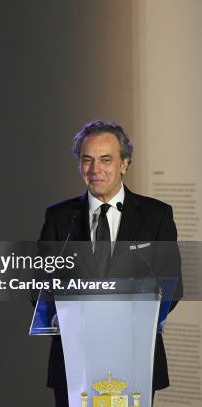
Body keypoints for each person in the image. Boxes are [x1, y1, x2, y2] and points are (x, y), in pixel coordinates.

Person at [38, 120, 182, 407]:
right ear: (79, 165)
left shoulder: (156, 216)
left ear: (125, 163)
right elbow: (40, 286)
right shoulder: (59, 217)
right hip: (75, 360)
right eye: (87, 160)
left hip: (135, 356)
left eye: (106, 160)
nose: (95, 169)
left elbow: (172, 285)